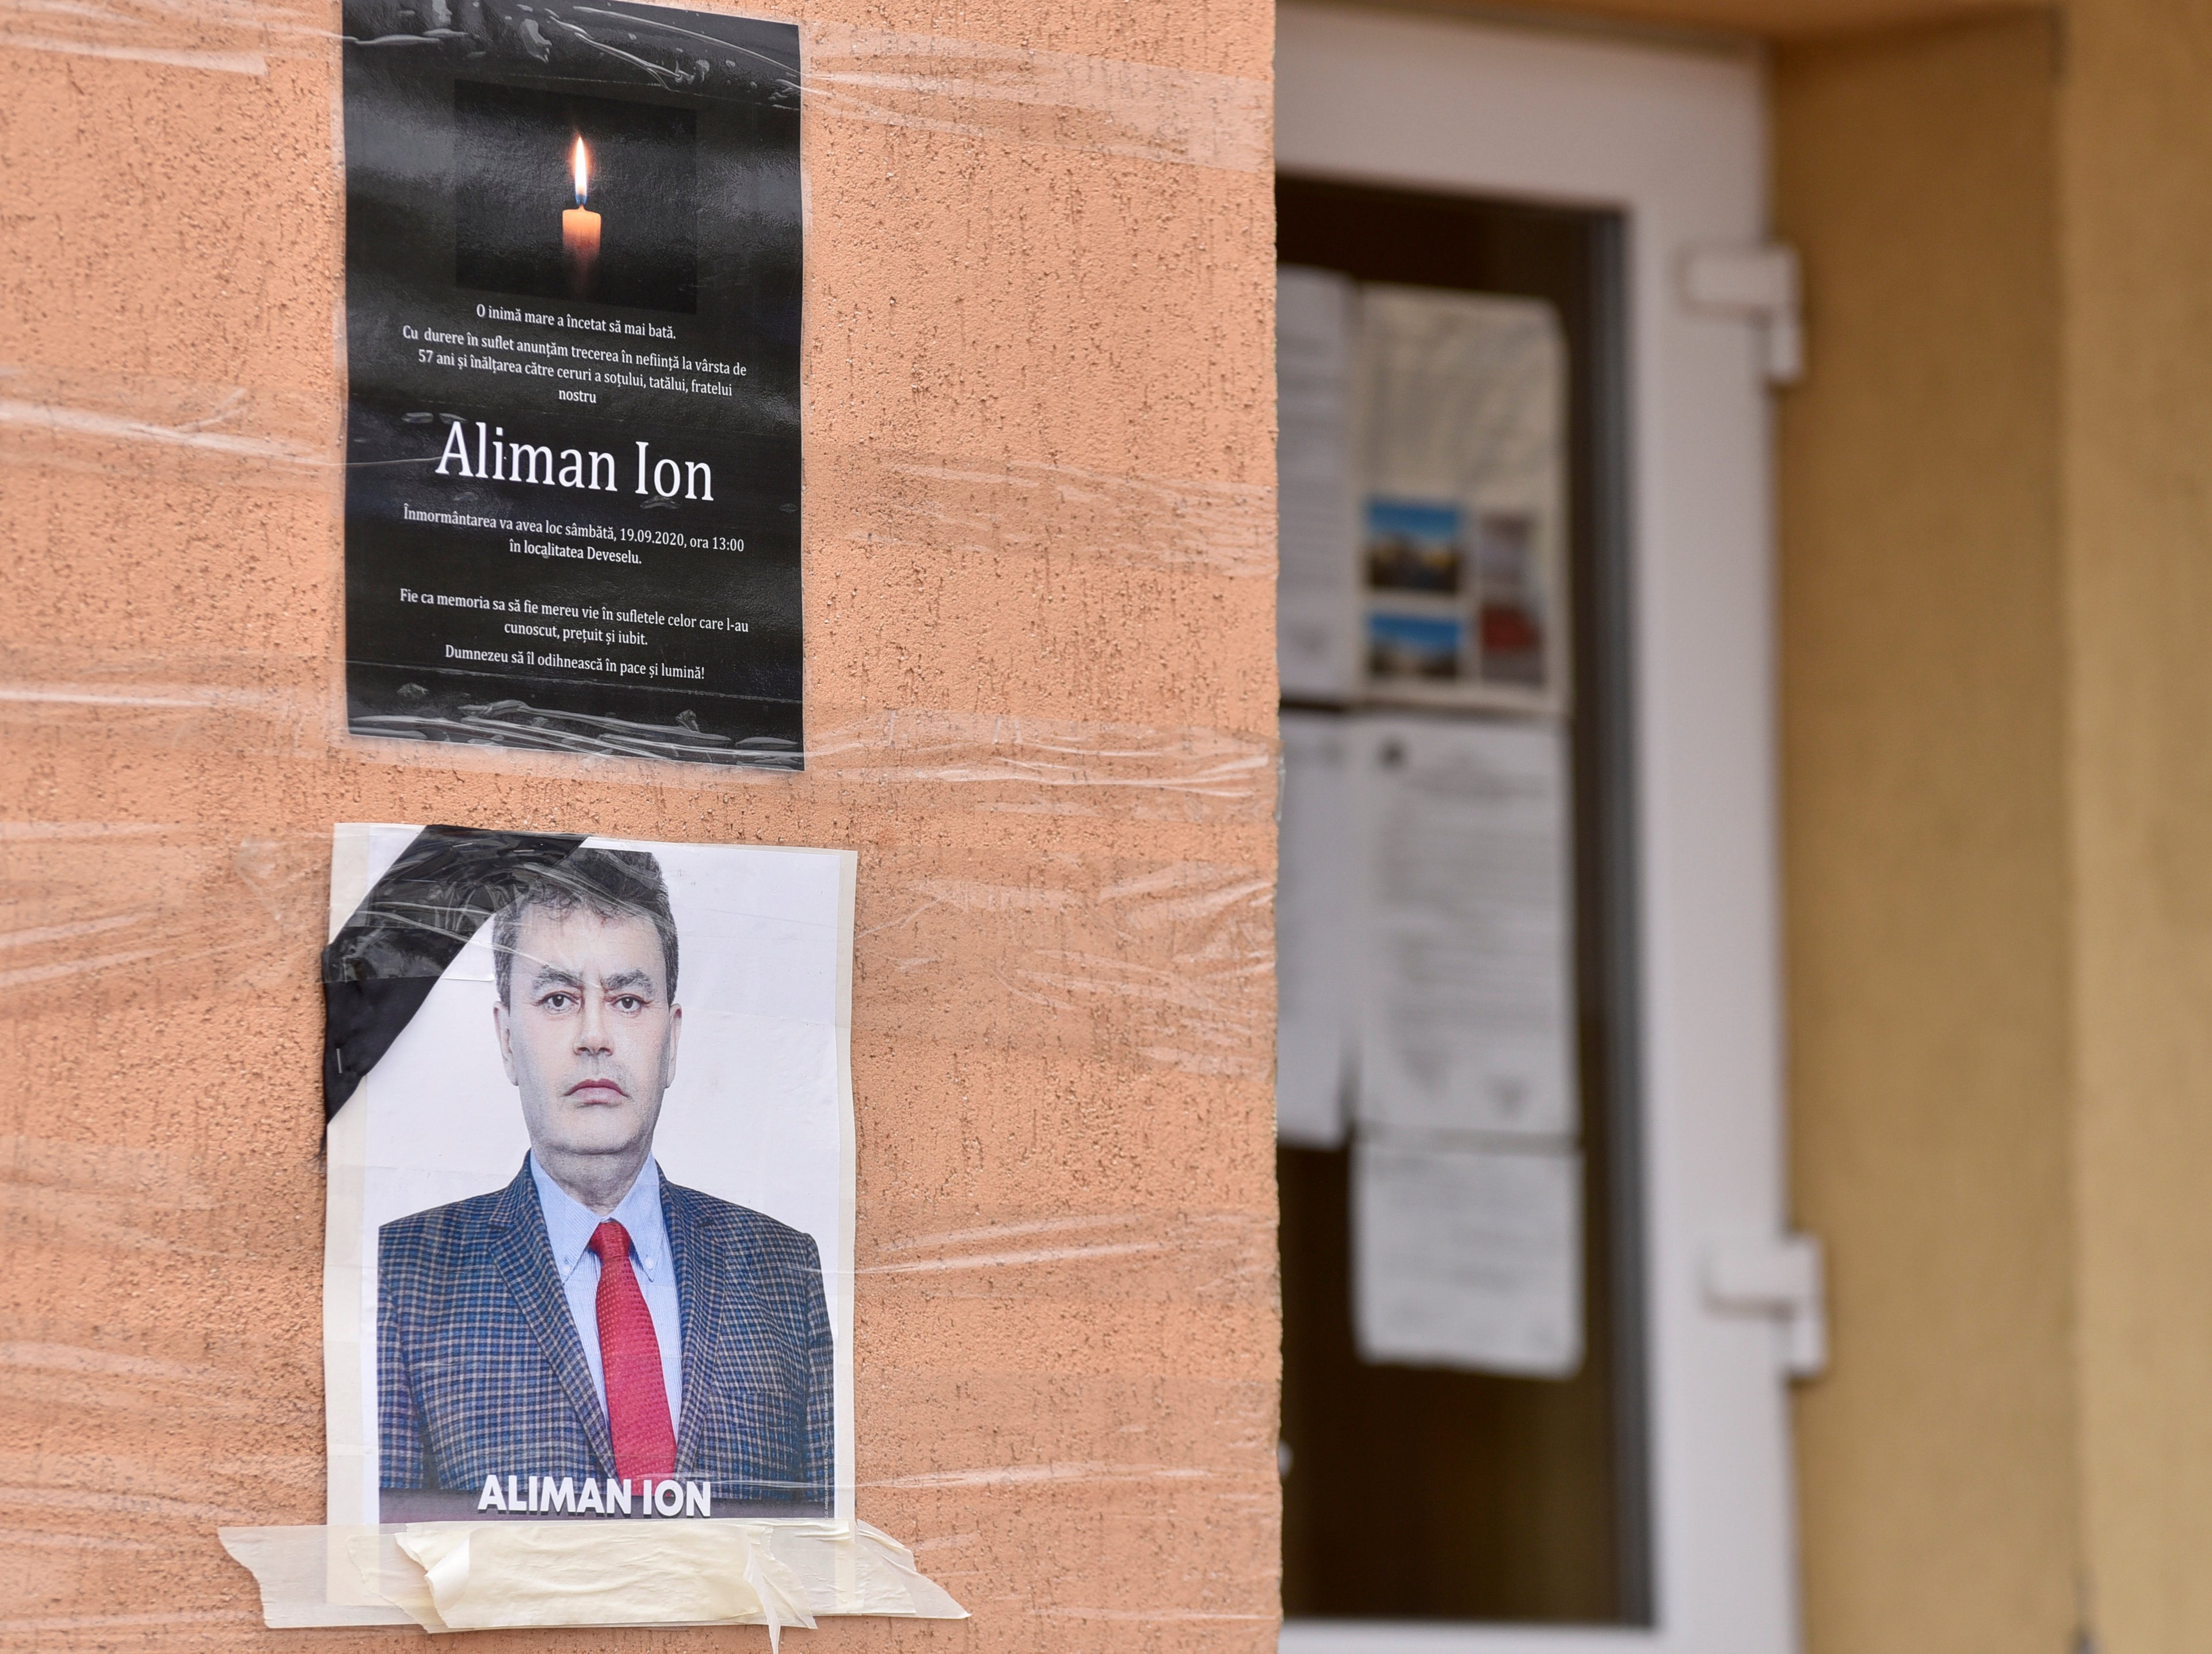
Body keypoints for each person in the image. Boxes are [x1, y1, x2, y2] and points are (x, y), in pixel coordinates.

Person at [377, 849, 832, 1512]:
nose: (595, 1036)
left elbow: (831, 1558)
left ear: (671, 1039)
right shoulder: (406, 1275)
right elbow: (381, 1564)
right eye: (558, 998)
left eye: (626, 999)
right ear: (506, 1037)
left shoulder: (783, 1270)